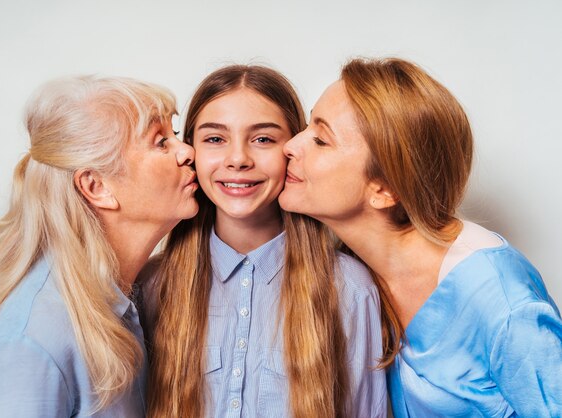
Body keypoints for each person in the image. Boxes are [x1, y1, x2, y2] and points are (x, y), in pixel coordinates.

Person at [279, 57, 562, 417]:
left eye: (320, 139)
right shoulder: (347, 275)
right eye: (306, 126)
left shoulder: (500, 299)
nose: (291, 145)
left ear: (384, 189)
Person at [0, 75, 198, 417]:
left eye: (174, 135)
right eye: (160, 141)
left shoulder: (118, 301)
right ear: (96, 186)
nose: (188, 151)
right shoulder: (25, 342)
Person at [139, 64, 386, 418]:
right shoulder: (151, 286)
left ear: (294, 148)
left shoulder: (349, 289)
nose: (238, 159)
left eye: (263, 139)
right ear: (190, 150)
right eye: (215, 139)